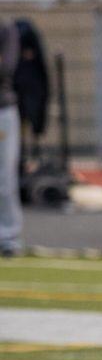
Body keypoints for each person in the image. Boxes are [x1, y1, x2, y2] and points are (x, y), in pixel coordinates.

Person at [0, 17, 20, 257]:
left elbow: (6, 67)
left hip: (2, 110)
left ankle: (8, 236)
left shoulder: (5, 28)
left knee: (4, 177)